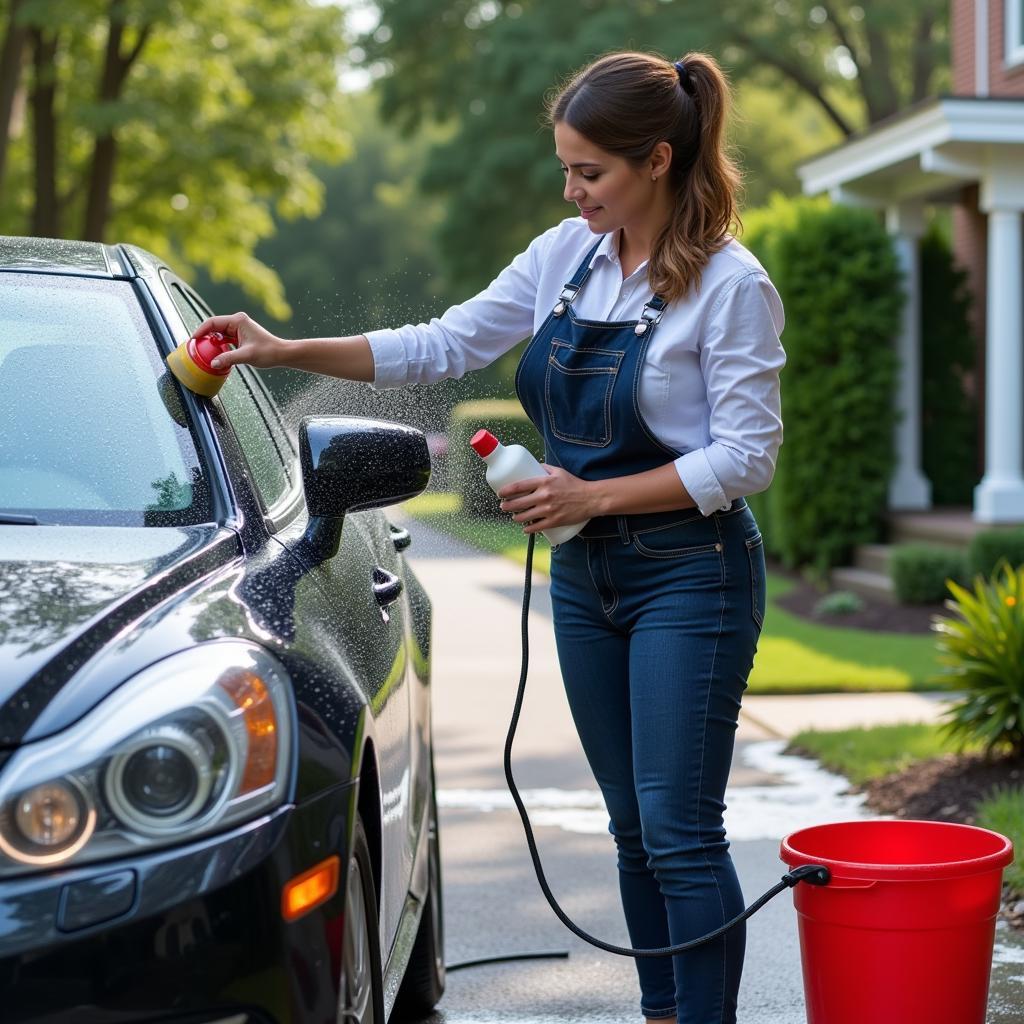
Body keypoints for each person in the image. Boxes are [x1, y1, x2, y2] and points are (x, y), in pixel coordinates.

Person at [193, 49, 786, 1024]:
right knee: (634, 828)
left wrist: (594, 498)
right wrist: (283, 345)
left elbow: (744, 459)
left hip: (692, 574)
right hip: (587, 580)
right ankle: (664, 1010)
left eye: (590, 171)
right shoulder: (565, 257)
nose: (571, 188)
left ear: (659, 160)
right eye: (566, 167)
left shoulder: (730, 286)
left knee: (680, 830)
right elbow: (443, 342)